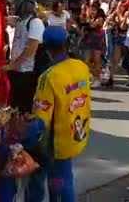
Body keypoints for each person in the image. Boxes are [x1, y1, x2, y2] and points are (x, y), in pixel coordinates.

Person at [30, 26, 91, 201]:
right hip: (76, 134)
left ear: (46, 48)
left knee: (58, 185)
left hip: (56, 143)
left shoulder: (49, 77)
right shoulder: (81, 67)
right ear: (67, 44)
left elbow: (41, 120)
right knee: (67, 181)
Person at [3, 0, 45, 113]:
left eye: (16, 4)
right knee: (15, 105)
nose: (13, 7)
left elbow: (31, 49)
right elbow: (2, 19)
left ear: (23, 6)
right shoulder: (20, 21)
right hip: (16, 70)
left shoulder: (35, 23)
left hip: (27, 72)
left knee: (24, 107)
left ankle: (24, 130)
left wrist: (13, 65)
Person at [80, 3, 106, 87]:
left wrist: (88, 20)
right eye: (91, 10)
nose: (92, 12)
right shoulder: (88, 18)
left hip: (97, 42)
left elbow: (92, 25)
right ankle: (97, 76)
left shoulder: (100, 19)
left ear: (97, 11)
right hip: (88, 42)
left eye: (94, 10)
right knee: (86, 61)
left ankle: (97, 79)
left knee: (96, 61)